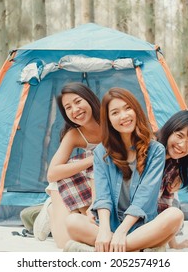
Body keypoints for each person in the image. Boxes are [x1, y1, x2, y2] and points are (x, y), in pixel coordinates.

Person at [65, 87, 173, 252]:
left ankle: (105, 250)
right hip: (111, 223)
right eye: (115, 112)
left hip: (141, 225)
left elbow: (145, 196)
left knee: (175, 216)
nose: (124, 116)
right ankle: (131, 249)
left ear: (136, 110)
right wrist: (104, 230)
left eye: (128, 108)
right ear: (108, 120)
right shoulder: (102, 151)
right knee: (72, 222)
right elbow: (103, 194)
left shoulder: (156, 151)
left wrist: (122, 232)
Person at [33, 82, 102, 249]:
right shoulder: (74, 135)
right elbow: (52, 174)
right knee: (64, 244)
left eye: (78, 102)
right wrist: (93, 159)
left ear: (90, 99)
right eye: (68, 107)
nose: (75, 110)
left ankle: (55, 211)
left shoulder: (112, 121)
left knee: (83, 230)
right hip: (69, 181)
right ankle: (51, 208)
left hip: (97, 182)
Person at [155, 109, 188, 249]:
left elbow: (165, 205)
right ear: (169, 130)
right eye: (179, 135)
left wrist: (174, 245)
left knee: (176, 217)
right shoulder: (147, 150)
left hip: (146, 220)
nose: (183, 145)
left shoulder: (173, 167)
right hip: (123, 215)